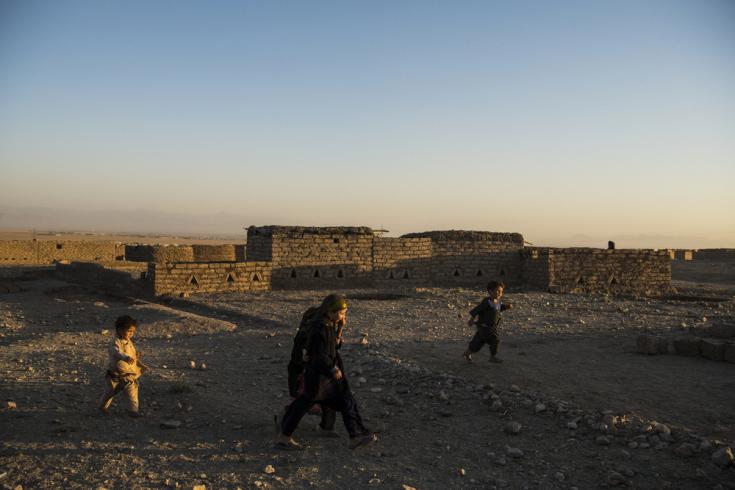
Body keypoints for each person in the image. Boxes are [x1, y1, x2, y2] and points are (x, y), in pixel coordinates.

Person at [276, 294, 376, 450]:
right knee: (343, 401)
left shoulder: (327, 325)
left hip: (320, 374)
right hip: (322, 375)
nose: (343, 316)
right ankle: (356, 435)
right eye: (341, 313)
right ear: (330, 311)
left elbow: (333, 347)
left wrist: (340, 327)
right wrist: (332, 367)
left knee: (310, 402)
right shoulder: (320, 328)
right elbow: (319, 353)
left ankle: (354, 434)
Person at [98, 315, 149, 416]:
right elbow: (116, 352)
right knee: (110, 392)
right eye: (129, 331)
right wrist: (125, 357)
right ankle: (102, 407)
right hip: (115, 375)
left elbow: (131, 352)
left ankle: (133, 411)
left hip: (128, 374)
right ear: (120, 330)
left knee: (132, 392)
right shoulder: (115, 342)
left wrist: (136, 354)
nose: (131, 334)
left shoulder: (128, 341)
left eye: (133, 332)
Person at [463, 281, 513, 363]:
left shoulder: (498, 301)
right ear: (490, 291)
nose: (500, 293)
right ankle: (493, 357)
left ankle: (468, 353)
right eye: (498, 291)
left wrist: (507, 307)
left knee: (479, 342)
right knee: (495, 340)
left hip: (488, 327)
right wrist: (471, 320)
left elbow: (499, 308)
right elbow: (477, 310)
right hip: (485, 326)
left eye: (501, 291)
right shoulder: (486, 302)